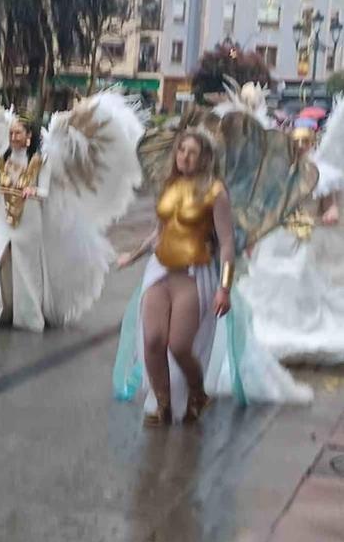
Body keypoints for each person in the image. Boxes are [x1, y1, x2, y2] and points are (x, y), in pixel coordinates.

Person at [112, 124, 310, 422]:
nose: (185, 157)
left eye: (193, 152)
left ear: (204, 158)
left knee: (179, 345)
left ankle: (196, 391)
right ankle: (162, 404)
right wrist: (134, 254)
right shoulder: (168, 185)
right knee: (152, 340)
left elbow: (227, 241)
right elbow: (160, 232)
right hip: (159, 271)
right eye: (181, 150)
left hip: (193, 275)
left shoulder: (215, 191)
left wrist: (225, 288)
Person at [0, 92, 145, 332]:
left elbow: (43, 191)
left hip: (29, 221)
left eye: (17, 133)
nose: (12, 137)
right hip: (3, 218)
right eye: (11, 133)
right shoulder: (0, 161)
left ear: (28, 137)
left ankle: (29, 315)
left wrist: (31, 192)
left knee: (26, 268)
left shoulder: (41, 162)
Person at [238, 105, 344, 366]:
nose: (300, 148)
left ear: (311, 144)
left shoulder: (322, 175)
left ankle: (298, 325)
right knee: (266, 275)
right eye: (296, 143)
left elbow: (329, 204)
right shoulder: (278, 173)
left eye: (305, 143)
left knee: (298, 276)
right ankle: (267, 323)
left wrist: (330, 213)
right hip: (277, 236)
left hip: (304, 238)